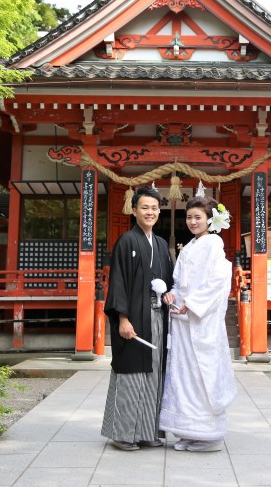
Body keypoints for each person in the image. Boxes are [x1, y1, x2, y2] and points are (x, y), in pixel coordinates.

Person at [160, 196, 237, 452]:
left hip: (200, 319)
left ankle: (209, 434)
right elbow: (180, 281)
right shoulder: (192, 245)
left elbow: (219, 280)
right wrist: (172, 293)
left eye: (198, 217)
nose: (192, 222)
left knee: (202, 374)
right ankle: (189, 431)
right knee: (183, 374)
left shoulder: (214, 243)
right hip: (182, 319)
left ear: (209, 220)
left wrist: (191, 303)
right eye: (189, 217)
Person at [100, 186, 174, 450]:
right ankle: (122, 434)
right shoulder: (127, 241)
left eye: (155, 208)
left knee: (154, 373)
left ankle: (146, 431)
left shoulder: (162, 244)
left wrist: (169, 295)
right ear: (134, 211)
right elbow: (118, 282)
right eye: (145, 207)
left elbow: (169, 281)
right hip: (133, 318)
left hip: (156, 317)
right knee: (131, 373)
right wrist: (122, 318)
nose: (150, 212)